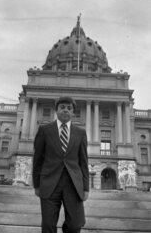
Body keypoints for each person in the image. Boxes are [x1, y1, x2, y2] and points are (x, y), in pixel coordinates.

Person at [32, 96, 89, 233]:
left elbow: (83, 161)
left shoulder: (80, 133)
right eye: (62, 107)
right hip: (49, 183)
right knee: (48, 225)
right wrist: (37, 184)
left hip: (73, 184)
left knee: (76, 224)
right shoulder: (44, 130)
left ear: (73, 113)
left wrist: (86, 187)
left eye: (69, 108)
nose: (65, 110)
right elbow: (37, 160)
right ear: (56, 110)